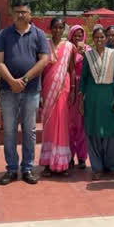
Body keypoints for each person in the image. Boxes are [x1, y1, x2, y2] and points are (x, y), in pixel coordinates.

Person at [0, 1, 49, 185]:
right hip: (8, 90)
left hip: (31, 90)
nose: (20, 15)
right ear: (12, 14)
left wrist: (24, 80)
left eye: (24, 12)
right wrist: (12, 81)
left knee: (30, 131)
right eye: (17, 12)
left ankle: (27, 168)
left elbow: (44, 60)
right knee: (9, 131)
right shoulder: (4, 34)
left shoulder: (39, 34)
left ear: (30, 14)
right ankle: (11, 169)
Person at [78, 27, 114, 180]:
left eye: (102, 37)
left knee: (112, 132)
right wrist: (80, 100)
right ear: (93, 39)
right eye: (96, 37)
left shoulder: (113, 54)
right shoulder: (88, 55)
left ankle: (113, 166)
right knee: (93, 132)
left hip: (109, 97)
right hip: (92, 99)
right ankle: (97, 167)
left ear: (106, 39)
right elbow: (83, 79)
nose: (99, 40)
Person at [39, 18, 75, 177]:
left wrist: (73, 89)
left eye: (61, 27)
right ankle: (47, 162)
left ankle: (62, 162)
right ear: (50, 28)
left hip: (64, 88)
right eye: (55, 27)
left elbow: (72, 69)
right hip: (47, 89)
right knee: (49, 125)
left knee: (62, 123)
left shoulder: (69, 46)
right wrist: (39, 92)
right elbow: (39, 70)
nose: (58, 30)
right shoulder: (44, 45)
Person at [67, 24, 90, 170]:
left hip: (84, 89)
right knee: (70, 125)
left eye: (80, 35)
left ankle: (82, 157)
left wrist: (84, 54)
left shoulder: (89, 50)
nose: (78, 38)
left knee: (82, 125)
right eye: (75, 35)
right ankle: (69, 157)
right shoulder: (67, 49)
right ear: (70, 36)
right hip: (70, 88)